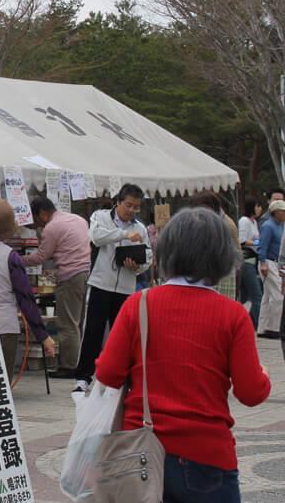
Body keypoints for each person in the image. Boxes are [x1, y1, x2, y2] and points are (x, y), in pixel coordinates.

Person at [95, 208, 271, 502]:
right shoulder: (233, 315)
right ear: (223, 256)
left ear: (167, 250)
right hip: (208, 456)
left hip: (140, 455)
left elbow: (107, 374)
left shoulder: (138, 304)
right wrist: (263, 375)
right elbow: (251, 392)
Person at [74, 183, 152, 392]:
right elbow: (96, 237)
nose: (132, 210)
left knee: (121, 336)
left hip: (126, 288)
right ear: (118, 202)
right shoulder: (100, 217)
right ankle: (83, 377)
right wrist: (124, 235)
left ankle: (118, 380)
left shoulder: (140, 228)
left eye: (136, 207)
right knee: (93, 331)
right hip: (100, 283)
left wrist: (138, 267)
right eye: (128, 205)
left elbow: (148, 257)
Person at [0, 200, 56, 380]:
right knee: (0, 383)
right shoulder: (11, 257)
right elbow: (25, 299)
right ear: (9, 230)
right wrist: (43, 336)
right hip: (4, 327)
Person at [20, 196, 89, 378]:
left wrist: (15, 259)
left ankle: (68, 367)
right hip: (84, 274)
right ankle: (76, 363)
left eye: (36, 219)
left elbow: (40, 257)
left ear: (42, 213)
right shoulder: (78, 219)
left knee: (67, 324)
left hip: (69, 276)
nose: (37, 224)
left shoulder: (52, 227)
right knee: (76, 322)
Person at [257, 199, 285, 338]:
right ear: (275, 212)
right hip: (268, 262)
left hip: (275, 262)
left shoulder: (280, 225)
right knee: (278, 295)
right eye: (283, 211)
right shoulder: (268, 226)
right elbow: (262, 246)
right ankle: (274, 328)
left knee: (267, 297)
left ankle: (263, 328)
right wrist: (262, 263)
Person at [238, 198, 263, 330]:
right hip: (246, 261)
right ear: (251, 207)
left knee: (244, 296)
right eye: (258, 206)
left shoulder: (254, 222)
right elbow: (242, 240)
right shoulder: (244, 221)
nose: (260, 209)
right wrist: (258, 243)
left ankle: (248, 322)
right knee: (256, 295)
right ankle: (258, 324)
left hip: (253, 261)